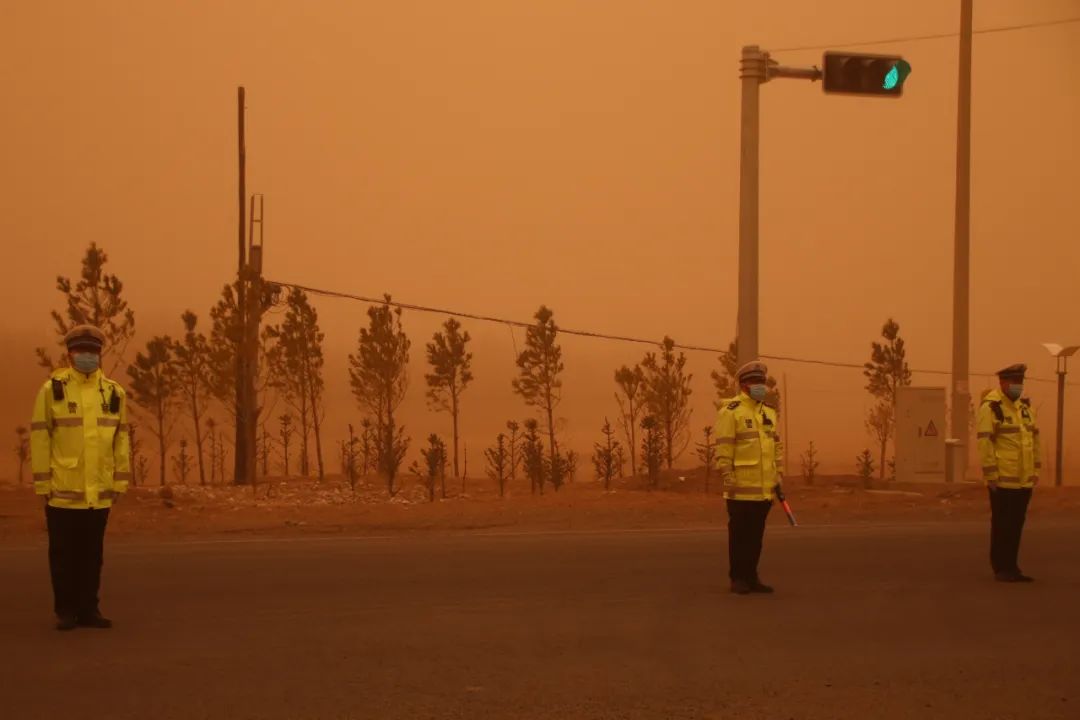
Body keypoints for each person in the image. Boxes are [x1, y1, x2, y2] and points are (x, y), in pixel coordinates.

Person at [30, 325, 131, 629]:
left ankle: (89, 609)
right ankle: (66, 610)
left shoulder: (114, 392)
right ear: (70, 353)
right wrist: (42, 482)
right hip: (63, 490)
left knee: (92, 555)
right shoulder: (53, 390)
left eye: (92, 351)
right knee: (62, 556)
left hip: (98, 492)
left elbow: (120, 439)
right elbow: (40, 437)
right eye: (80, 351)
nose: (87, 356)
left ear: (99, 354)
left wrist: (119, 480)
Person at [714, 361, 783, 594]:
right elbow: (725, 446)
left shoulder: (769, 413)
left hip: (763, 489)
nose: (761, 386)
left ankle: (752, 577)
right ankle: (738, 578)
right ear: (743, 385)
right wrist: (727, 474)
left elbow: (775, 448)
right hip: (739, 487)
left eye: (762, 382)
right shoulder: (731, 412)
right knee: (739, 536)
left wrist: (778, 476)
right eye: (755, 382)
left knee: (756, 538)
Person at [977, 363, 1041, 583]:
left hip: (1023, 481)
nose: (1018, 386)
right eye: (1014, 382)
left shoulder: (1024, 408)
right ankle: (1001, 567)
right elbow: (985, 442)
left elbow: (1034, 440)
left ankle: (1012, 567)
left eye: (1020, 382)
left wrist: (1036, 469)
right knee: (1002, 525)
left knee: (1015, 525)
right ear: (1003, 383)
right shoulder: (992, 407)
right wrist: (991, 474)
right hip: (1003, 480)